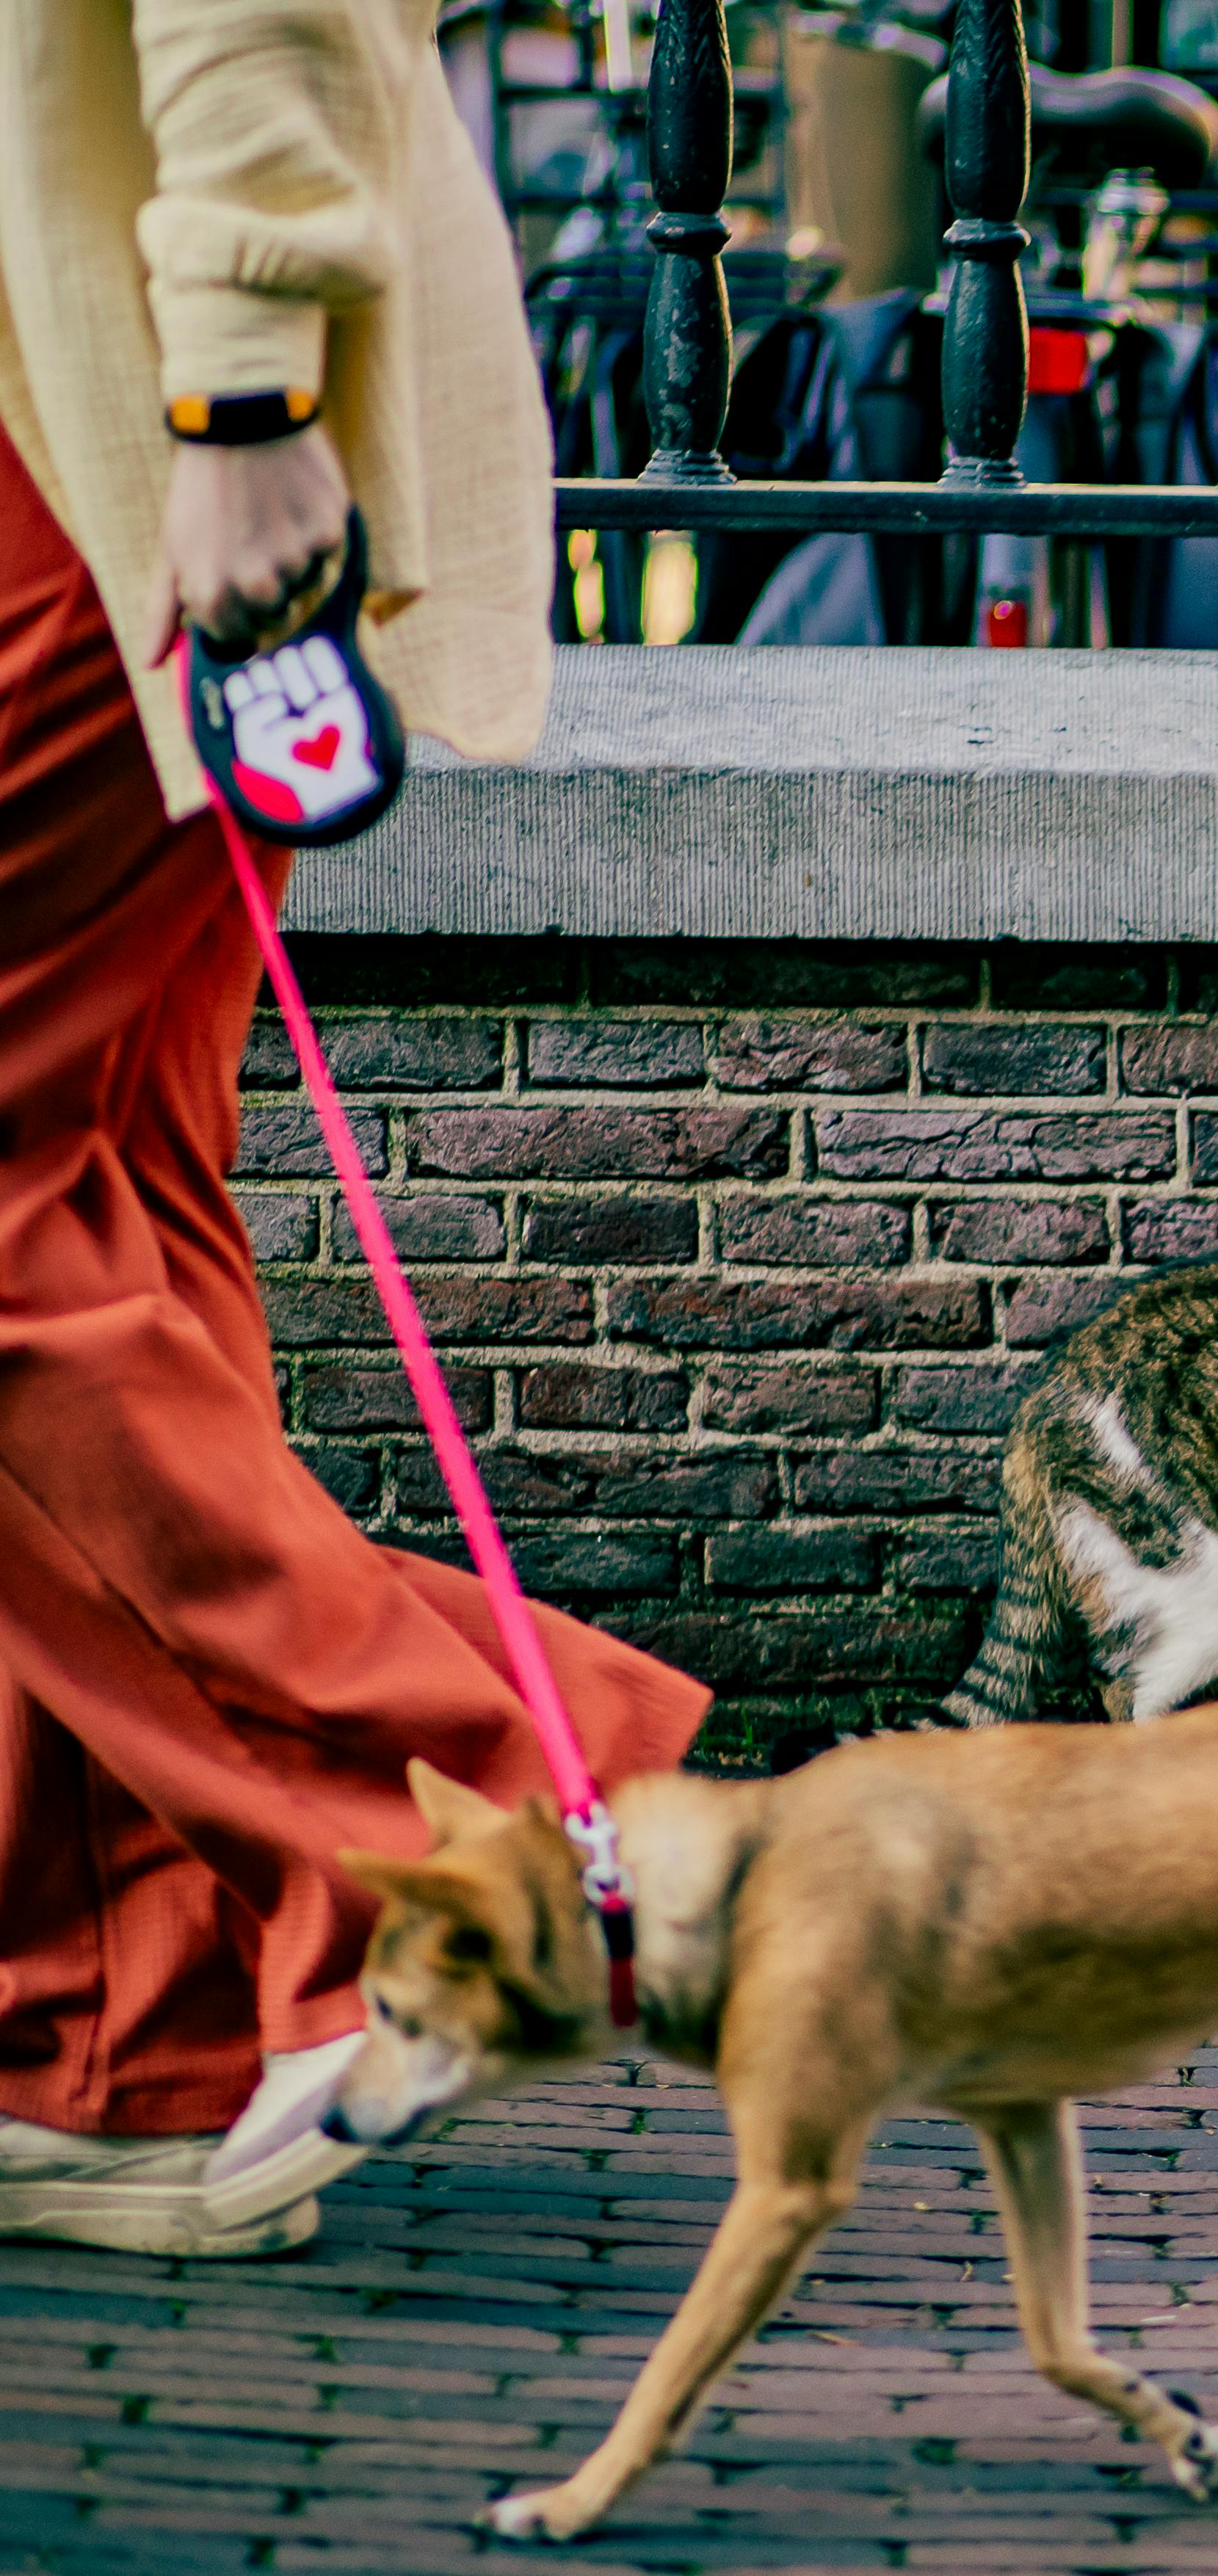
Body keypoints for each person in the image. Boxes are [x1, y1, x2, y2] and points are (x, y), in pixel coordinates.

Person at [0, 0, 708, 2257]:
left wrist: (241, 385)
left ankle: (480, 1804)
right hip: (80, 408)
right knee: (92, 1204)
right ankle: (124, 2044)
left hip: (90, 430)